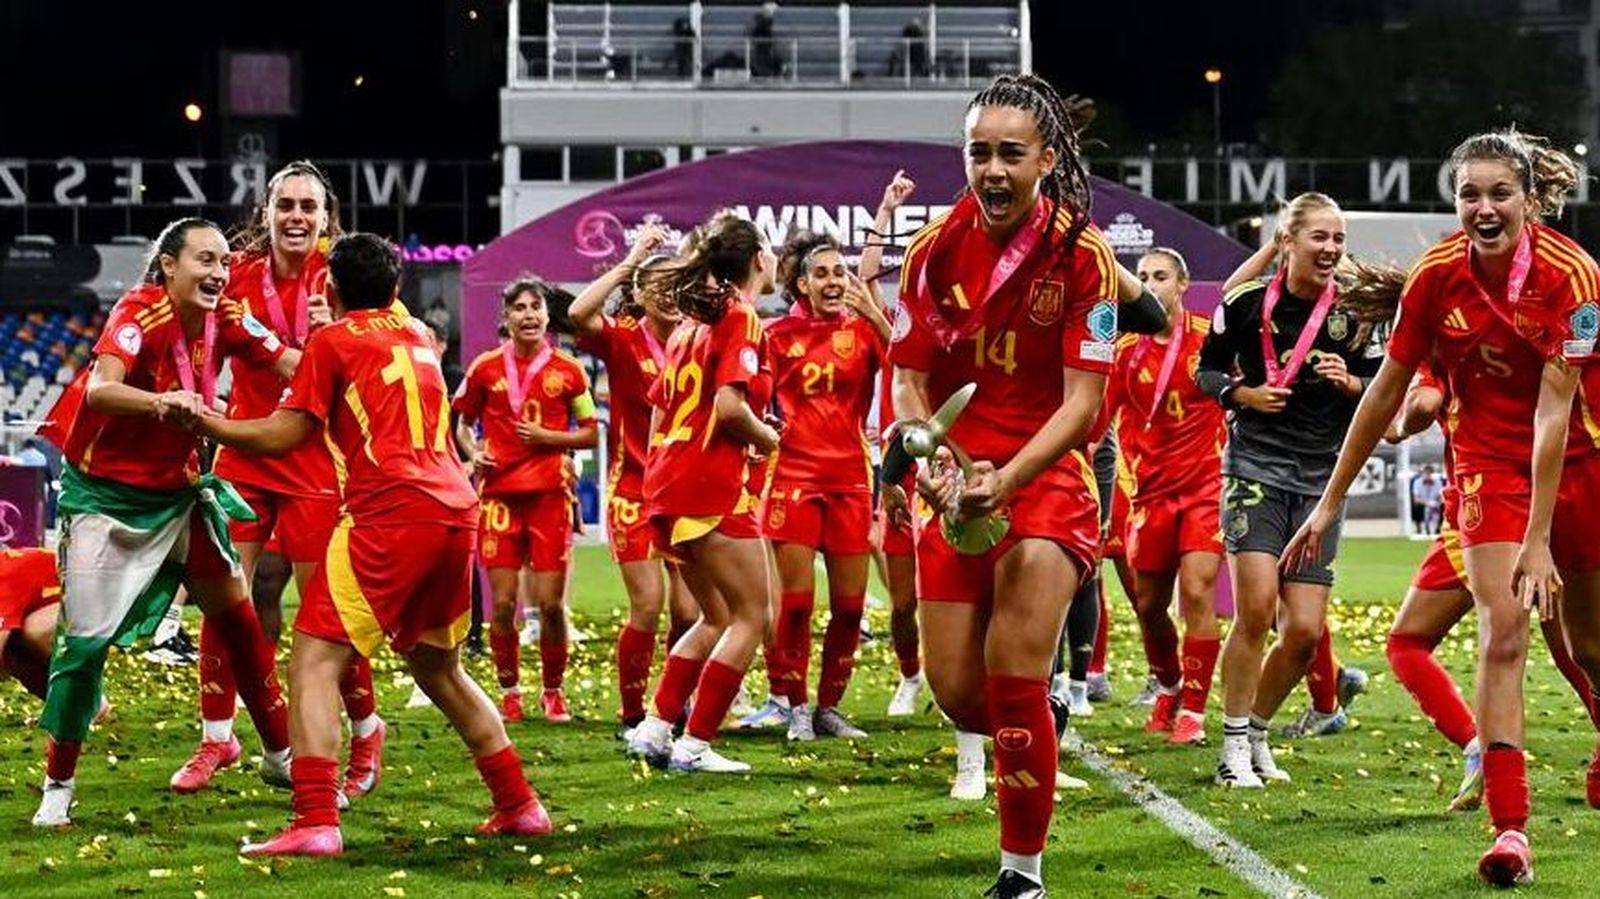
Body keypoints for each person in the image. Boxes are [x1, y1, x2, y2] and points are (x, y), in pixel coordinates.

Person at [1283, 129, 1598, 885]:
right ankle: (1511, 828)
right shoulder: (1435, 276)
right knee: (1503, 633)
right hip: (1490, 468)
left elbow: (1556, 413)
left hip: (1582, 461)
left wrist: (1539, 537)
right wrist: (1328, 505)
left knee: (1587, 646)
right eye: (1469, 194)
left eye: (1499, 193)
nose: (1483, 208)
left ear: (1528, 198)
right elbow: (1385, 396)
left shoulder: (1574, 276)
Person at [187, 232, 551, 856]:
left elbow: (284, 432)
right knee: (440, 667)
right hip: (456, 512)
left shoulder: (329, 342)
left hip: (390, 513)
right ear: (396, 289)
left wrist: (208, 422)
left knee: (312, 661)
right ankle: (520, 804)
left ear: (330, 287)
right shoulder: (416, 336)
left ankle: (315, 820)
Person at [884, 73, 1120, 899]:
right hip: (951, 486)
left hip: (1045, 479)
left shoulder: (1083, 255)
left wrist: (1007, 478)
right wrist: (939, 463)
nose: (991, 169)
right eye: (978, 150)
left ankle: (1022, 873)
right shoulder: (930, 251)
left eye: (1010, 153)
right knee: (960, 694)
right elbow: (907, 379)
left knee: (1013, 669)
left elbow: (1084, 404)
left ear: (1046, 160)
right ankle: (1035, 719)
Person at [33, 218, 294, 827]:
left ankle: (281, 756)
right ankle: (58, 786)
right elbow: (101, 390)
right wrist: (164, 403)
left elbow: (288, 360)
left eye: (224, 263)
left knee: (239, 620)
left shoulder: (227, 316)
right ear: (168, 266)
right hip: (105, 500)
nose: (218, 273)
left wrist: (355, 357)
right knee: (84, 647)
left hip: (177, 496)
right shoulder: (138, 311)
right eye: (205, 260)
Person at [173, 160, 387, 800]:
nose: (296, 216)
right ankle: (218, 736)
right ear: (265, 214)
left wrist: (339, 332)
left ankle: (367, 728)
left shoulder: (346, 272)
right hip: (244, 448)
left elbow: (402, 344)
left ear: (327, 218)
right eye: (285, 205)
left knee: (325, 608)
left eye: (308, 207)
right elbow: (182, 322)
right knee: (222, 592)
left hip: (319, 456)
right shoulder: (232, 273)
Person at [1196, 192, 1400, 788]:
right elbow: (1205, 369)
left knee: (1306, 633)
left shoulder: (1359, 311)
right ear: (1287, 243)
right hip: (1255, 468)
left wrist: (1352, 383)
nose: (1333, 248)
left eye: (1339, 238)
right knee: (1256, 607)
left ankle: (1256, 731)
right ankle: (1233, 749)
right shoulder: (1244, 301)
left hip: (1322, 481)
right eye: (1320, 237)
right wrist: (1243, 396)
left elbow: (1384, 388)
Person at [624, 211, 780, 774]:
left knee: (712, 615)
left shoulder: (690, 324)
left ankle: (656, 728)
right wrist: (766, 438)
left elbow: (664, 403)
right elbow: (730, 408)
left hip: (666, 484)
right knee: (752, 616)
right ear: (759, 260)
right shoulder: (739, 317)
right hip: (708, 487)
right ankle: (695, 744)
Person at [565, 224, 700, 734]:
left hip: (684, 493)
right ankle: (630, 713)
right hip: (633, 493)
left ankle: (671, 707)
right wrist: (629, 262)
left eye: (675, 286)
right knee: (647, 607)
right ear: (639, 294)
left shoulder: (698, 340)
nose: (667, 296)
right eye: (655, 287)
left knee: (690, 612)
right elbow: (578, 314)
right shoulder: (622, 341)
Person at [755, 231, 890, 742]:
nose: (834, 282)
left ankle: (830, 706)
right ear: (802, 284)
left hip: (852, 480)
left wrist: (875, 315)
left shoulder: (863, 330)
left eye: (841, 272)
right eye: (823, 274)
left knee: (852, 606)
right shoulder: (775, 336)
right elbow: (749, 399)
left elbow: (908, 361)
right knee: (795, 604)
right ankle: (795, 706)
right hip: (793, 476)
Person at [455, 276, 598, 724]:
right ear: (507, 317)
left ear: (547, 316)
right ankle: (510, 689)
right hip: (499, 496)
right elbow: (461, 424)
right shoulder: (484, 369)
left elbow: (591, 432)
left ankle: (553, 690)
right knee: (501, 604)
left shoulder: (570, 371)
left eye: (536, 306)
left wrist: (547, 437)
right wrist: (473, 452)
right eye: (519, 308)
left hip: (550, 497)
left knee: (552, 605)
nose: (529, 315)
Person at [1103, 247, 1225, 745]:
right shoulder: (1125, 353)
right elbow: (1093, 424)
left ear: (1182, 285)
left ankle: (1193, 709)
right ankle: (1170, 684)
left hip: (1206, 488)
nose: (1150, 284)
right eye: (1143, 277)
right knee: (1150, 604)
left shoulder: (1209, 342)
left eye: (1161, 276)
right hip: (1149, 495)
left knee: (1196, 591)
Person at [1413, 464, 1444, 535]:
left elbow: (1440, 495)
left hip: (1435, 503)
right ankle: (1419, 527)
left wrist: (1438, 502)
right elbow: (1416, 498)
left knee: (1443, 507)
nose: (1428, 474)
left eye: (1429, 472)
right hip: (1423, 503)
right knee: (1416, 507)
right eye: (1426, 472)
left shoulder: (1438, 482)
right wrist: (1427, 503)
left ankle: (1438, 528)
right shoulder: (1417, 482)